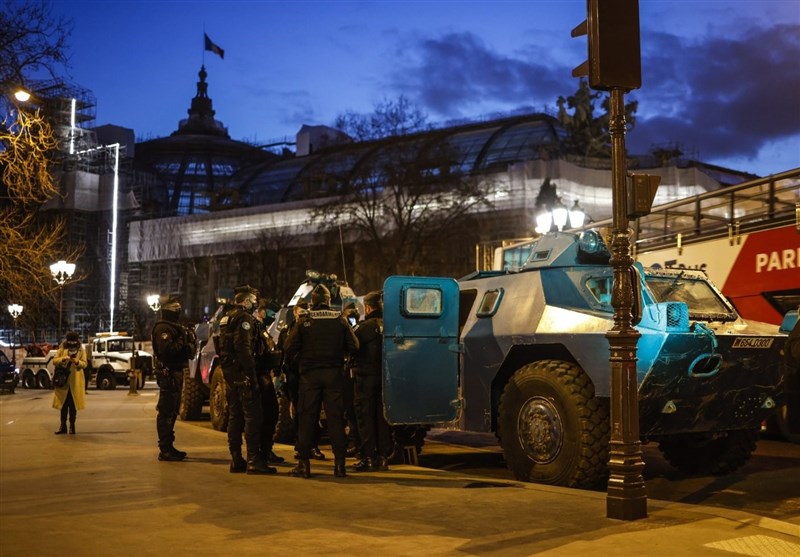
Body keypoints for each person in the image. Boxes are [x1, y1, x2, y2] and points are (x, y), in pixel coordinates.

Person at [285, 284, 359, 478]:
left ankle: (303, 464)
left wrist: (300, 360)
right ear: (328, 301)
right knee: (335, 419)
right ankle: (340, 465)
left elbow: (289, 347)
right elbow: (354, 346)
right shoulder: (340, 320)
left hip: (309, 376)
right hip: (334, 375)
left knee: (307, 418)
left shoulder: (304, 320)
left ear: (313, 302)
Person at [219, 285, 276, 475]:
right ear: (245, 301)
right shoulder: (244, 319)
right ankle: (254, 459)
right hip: (243, 374)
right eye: (253, 301)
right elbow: (243, 348)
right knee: (253, 416)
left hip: (231, 374)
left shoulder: (226, 318)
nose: (255, 304)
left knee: (235, 416)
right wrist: (250, 374)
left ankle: (236, 459)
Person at [350, 291, 392, 472]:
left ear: (367, 307)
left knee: (365, 418)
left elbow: (351, 347)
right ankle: (383, 458)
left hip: (365, 379)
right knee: (382, 419)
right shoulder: (391, 325)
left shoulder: (363, 327)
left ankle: (368, 458)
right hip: (386, 380)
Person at [280, 301, 327, 460]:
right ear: (295, 311)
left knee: (313, 412)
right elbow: (284, 352)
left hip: (308, 375)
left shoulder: (311, 327)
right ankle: (301, 446)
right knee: (299, 413)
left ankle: (313, 445)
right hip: (294, 376)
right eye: (301, 311)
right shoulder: (287, 330)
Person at [151, 295, 194, 462]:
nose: (178, 308)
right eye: (175, 305)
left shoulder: (175, 327)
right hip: (168, 374)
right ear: (167, 308)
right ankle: (165, 448)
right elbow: (167, 350)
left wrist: (189, 342)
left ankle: (169, 446)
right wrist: (184, 340)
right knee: (166, 412)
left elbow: (186, 352)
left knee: (172, 411)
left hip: (176, 373)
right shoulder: (163, 328)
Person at [254, 298, 284, 465]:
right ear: (262, 311)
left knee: (271, 414)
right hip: (258, 377)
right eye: (271, 313)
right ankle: (259, 453)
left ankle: (266, 450)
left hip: (265, 375)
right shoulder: (254, 327)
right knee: (261, 416)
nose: (273, 317)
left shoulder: (262, 329)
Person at [52, 331, 87, 435]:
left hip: (75, 382)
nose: (71, 344)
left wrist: (77, 362)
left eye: (73, 342)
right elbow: (54, 361)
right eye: (70, 342)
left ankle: (72, 426)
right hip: (64, 382)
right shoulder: (62, 348)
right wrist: (63, 359)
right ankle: (63, 426)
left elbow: (84, 364)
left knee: (73, 406)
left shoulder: (81, 349)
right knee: (63, 405)